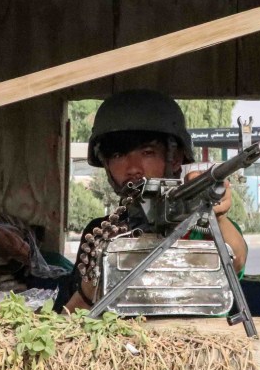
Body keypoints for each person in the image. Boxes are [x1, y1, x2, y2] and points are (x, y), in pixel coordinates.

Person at [62, 89, 248, 313]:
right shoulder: (101, 233)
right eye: (118, 156)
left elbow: (236, 258)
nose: (132, 167)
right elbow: (69, 316)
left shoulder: (202, 225)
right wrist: (91, 285)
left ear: (176, 157)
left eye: (147, 152)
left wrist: (214, 213)